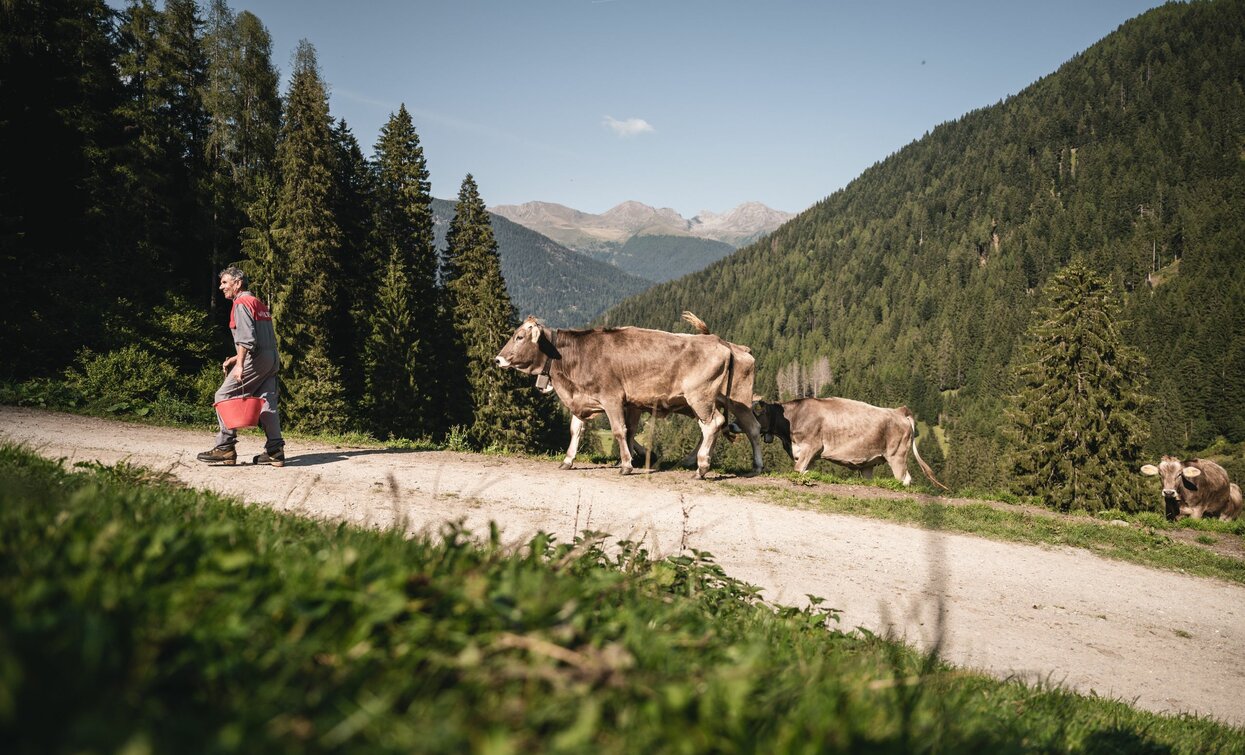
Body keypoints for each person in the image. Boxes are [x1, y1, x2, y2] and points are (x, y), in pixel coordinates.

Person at [197, 266, 285, 466]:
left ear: (237, 284)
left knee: (222, 396)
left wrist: (240, 365)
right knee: (266, 404)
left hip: (256, 359)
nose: (221, 287)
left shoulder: (241, 303)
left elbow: (247, 340)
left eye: (225, 282)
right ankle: (275, 451)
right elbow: (259, 339)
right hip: (271, 359)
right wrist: (234, 359)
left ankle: (225, 448)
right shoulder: (258, 303)